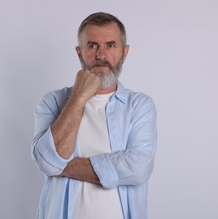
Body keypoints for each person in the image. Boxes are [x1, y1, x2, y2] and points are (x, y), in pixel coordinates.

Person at [31, 12, 157, 219]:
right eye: (92, 46)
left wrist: (60, 166)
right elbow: (45, 162)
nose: (101, 55)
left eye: (110, 45)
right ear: (79, 53)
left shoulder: (140, 106)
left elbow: (139, 168)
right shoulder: (52, 102)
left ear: (124, 52)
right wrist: (79, 98)